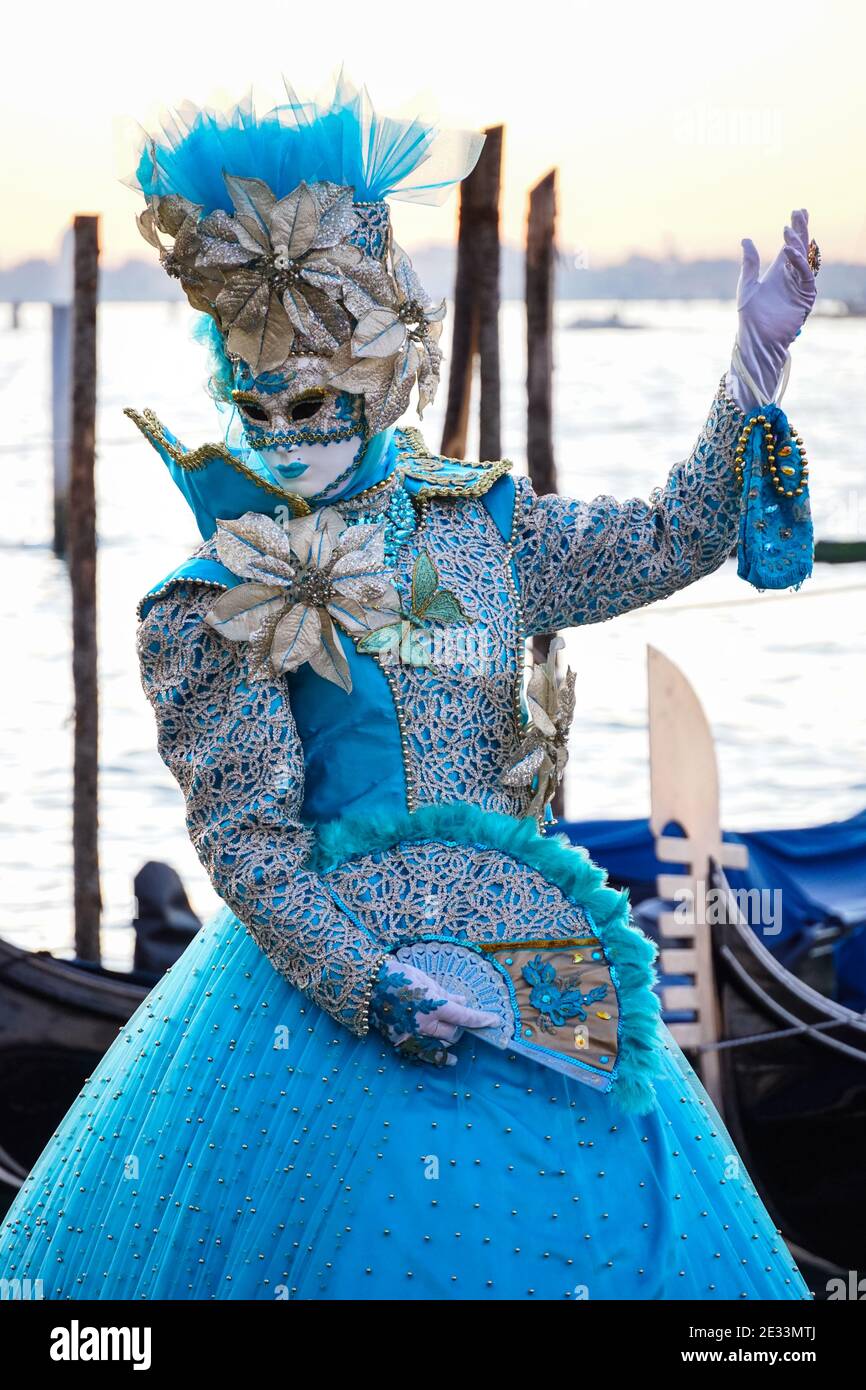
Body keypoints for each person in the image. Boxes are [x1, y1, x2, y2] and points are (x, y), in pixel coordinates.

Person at [2, 75, 817, 1300]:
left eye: (314, 399)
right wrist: (367, 986)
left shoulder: (483, 526)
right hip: (330, 1003)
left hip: (535, 979)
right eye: (255, 406)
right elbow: (246, 840)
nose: (284, 433)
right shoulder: (215, 588)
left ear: (379, 375)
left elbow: (659, 539)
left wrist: (750, 371)